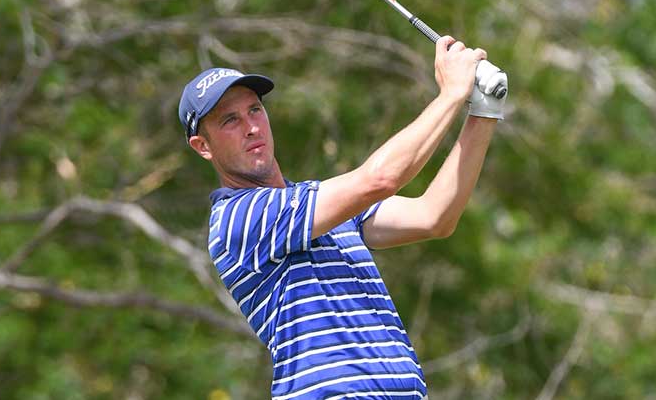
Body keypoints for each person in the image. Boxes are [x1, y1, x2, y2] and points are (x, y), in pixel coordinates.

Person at [178, 36, 507, 399]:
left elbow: (434, 216)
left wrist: (483, 111)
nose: (251, 126)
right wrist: (451, 95)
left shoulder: (317, 203)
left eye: (255, 110)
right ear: (203, 146)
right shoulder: (237, 218)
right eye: (230, 120)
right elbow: (379, 180)